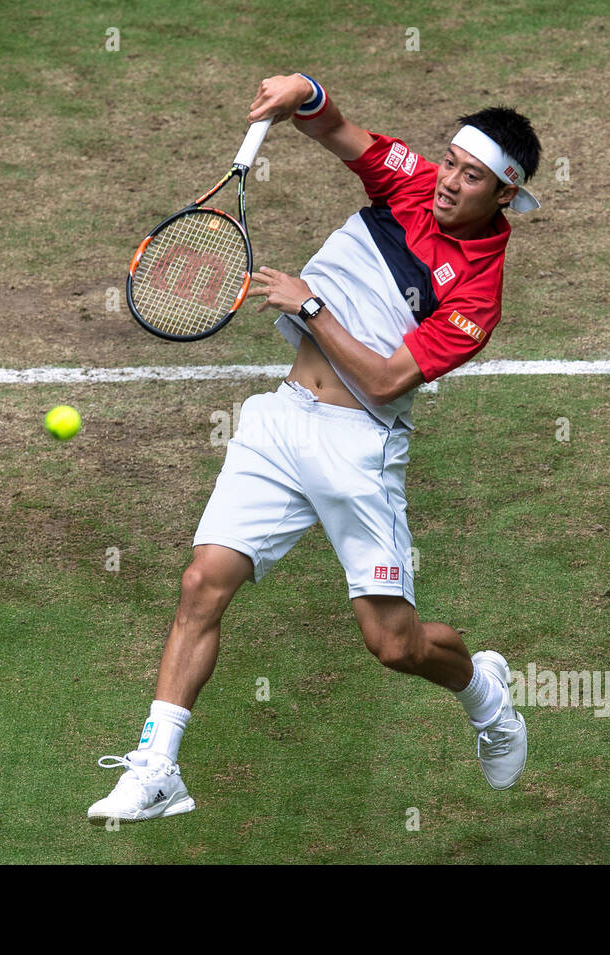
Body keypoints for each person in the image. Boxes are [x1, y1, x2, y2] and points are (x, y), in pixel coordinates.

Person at [88, 73, 543, 823]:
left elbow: (389, 378)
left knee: (394, 645)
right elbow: (336, 130)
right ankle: (159, 766)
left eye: (472, 177)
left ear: (504, 196)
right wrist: (304, 90)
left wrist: (312, 305)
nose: (449, 183)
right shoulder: (411, 180)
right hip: (282, 418)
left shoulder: (476, 296)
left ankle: (484, 694)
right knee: (203, 581)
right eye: (452, 163)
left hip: (358, 446)